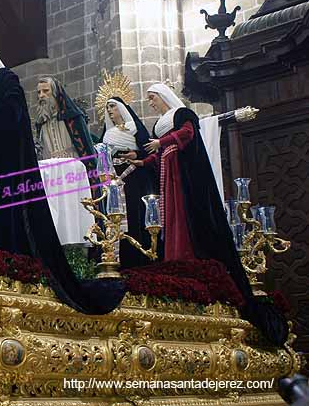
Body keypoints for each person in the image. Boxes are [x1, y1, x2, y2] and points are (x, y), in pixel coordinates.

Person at [0, 35, 125, 315]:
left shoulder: (4, 77)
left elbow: (14, 112)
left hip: (7, 162)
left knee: (9, 219)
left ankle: (15, 273)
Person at [130, 83, 288, 345]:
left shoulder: (182, 114)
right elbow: (159, 154)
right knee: (170, 218)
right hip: (168, 170)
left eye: (152, 97)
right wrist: (141, 161)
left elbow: (187, 133)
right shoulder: (161, 124)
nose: (150, 102)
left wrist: (162, 141)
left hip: (184, 177)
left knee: (183, 216)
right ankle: (173, 256)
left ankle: (185, 254)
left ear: (163, 96)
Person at [102, 97, 159, 268]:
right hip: (115, 179)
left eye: (113, 106)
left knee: (135, 214)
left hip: (134, 177)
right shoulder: (107, 133)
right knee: (116, 217)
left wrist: (136, 154)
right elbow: (102, 156)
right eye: (107, 107)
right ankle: (121, 259)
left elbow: (148, 151)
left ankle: (140, 259)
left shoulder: (135, 128)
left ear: (121, 108)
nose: (110, 110)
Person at [34, 77, 97, 164]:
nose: (41, 95)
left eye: (46, 91)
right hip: (52, 170)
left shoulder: (72, 118)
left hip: (74, 167)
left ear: (56, 93)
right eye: (39, 92)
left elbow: (87, 148)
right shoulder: (41, 124)